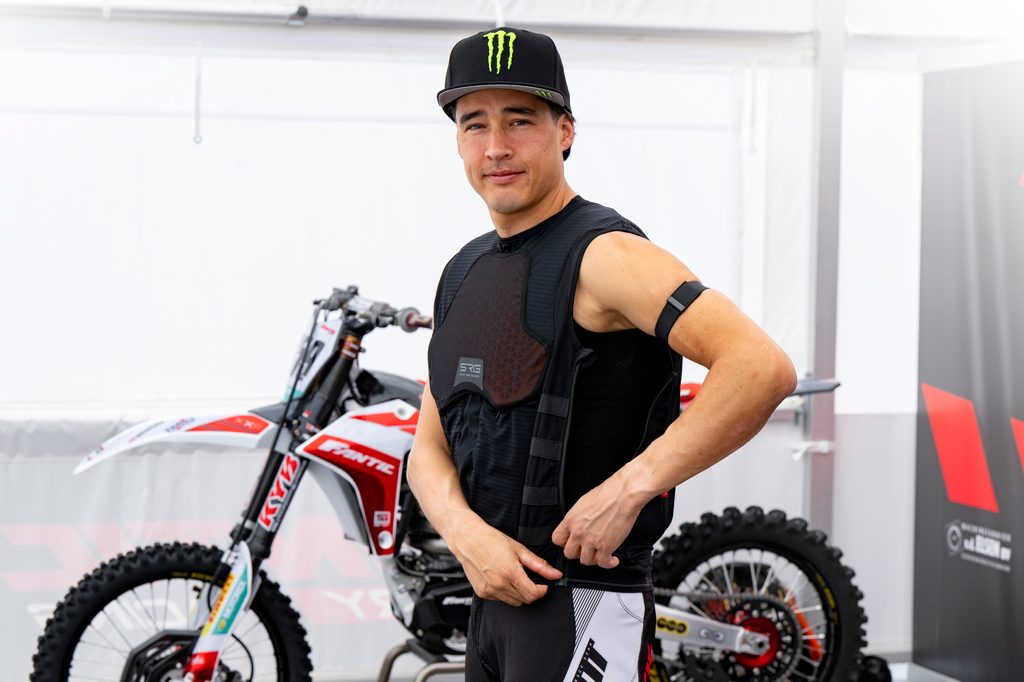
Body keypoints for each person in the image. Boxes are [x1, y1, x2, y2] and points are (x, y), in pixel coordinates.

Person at [407, 26, 797, 681]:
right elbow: (429, 445)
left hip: (584, 604)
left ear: (565, 131)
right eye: (475, 124)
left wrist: (630, 488)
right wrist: (467, 537)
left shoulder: (607, 255)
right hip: (491, 608)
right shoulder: (462, 272)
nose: (496, 146)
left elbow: (760, 366)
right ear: (458, 141)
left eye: (519, 120)